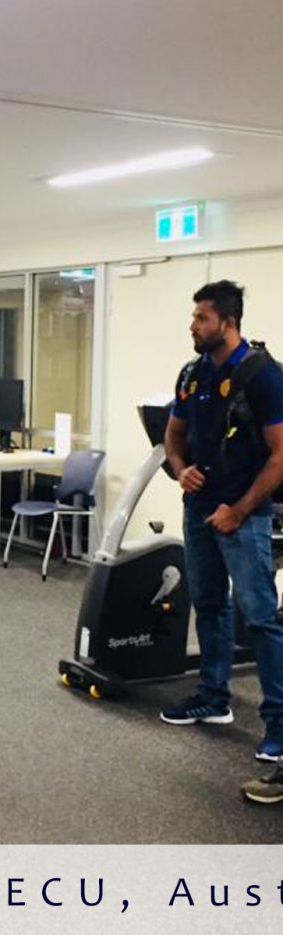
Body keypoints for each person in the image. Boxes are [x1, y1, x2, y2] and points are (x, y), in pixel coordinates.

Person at [161, 279, 283, 768]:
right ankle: (213, 698)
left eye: (202, 318)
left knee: (260, 619)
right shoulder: (193, 374)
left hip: (243, 516)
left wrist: (240, 509)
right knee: (208, 604)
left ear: (228, 322)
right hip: (199, 510)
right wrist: (179, 469)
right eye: (194, 317)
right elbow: (173, 436)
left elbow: (280, 456)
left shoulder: (263, 375)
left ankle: (279, 725)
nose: (192, 326)